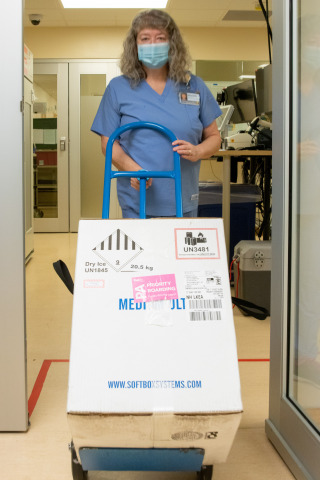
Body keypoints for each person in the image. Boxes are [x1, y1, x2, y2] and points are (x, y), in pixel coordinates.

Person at [91, 9, 222, 218]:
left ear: (172, 45)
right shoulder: (118, 88)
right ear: (135, 46)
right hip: (138, 199)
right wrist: (133, 169)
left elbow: (214, 137)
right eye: (145, 38)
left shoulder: (194, 86)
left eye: (160, 38)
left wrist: (199, 151)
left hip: (182, 197)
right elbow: (108, 143)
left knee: (176, 250)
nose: (153, 44)